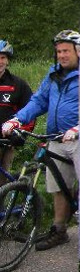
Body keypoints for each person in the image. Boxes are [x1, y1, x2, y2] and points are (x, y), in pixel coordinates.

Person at [1, 30, 80, 251]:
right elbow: (39, 101)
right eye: (59, 51)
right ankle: (59, 230)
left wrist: (79, 128)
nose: (62, 55)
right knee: (58, 187)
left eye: (66, 51)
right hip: (56, 138)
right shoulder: (54, 74)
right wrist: (17, 120)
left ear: (78, 51)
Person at [0, 40, 33, 181]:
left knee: (2, 183)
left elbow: (30, 111)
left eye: (2, 57)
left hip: (5, 143)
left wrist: (21, 134)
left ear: (7, 61)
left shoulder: (18, 85)